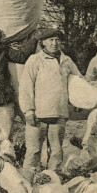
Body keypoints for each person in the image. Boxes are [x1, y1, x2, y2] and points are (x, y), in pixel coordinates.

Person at [20, 28, 82, 175]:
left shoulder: (67, 61)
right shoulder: (35, 60)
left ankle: (53, 180)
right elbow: (25, 86)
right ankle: (28, 180)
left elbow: (78, 81)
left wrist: (79, 101)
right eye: (50, 40)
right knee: (34, 150)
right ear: (43, 43)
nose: (54, 43)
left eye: (57, 40)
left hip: (59, 113)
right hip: (38, 114)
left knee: (56, 150)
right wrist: (28, 111)